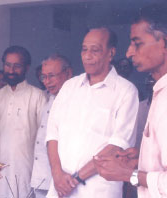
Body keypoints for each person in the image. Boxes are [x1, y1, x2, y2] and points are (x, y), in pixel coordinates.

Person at [94, 3, 167, 197]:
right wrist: (142, 158)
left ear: (165, 44)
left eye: (137, 43)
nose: (129, 52)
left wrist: (130, 175)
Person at [45, 27, 139, 198]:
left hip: (99, 189)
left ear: (111, 53)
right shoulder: (69, 87)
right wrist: (57, 174)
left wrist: (76, 179)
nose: (87, 56)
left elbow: (117, 146)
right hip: (59, 188)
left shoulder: (126, 91)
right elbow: (52, 135)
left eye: (95, 50)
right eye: (84, 49)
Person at [0, 46, 46, 198]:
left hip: (26, 169)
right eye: (7, 65)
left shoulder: (38, 97)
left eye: (17, 66)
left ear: (26, 67)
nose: (11, 70)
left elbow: (43, 138)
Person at [30, 54, 72, 198]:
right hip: (40, 177)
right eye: (43, 77)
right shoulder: (46, 97)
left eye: (51, 76)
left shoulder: (76, 99)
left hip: (62, 180)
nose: (47, 81)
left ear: (68, 73)